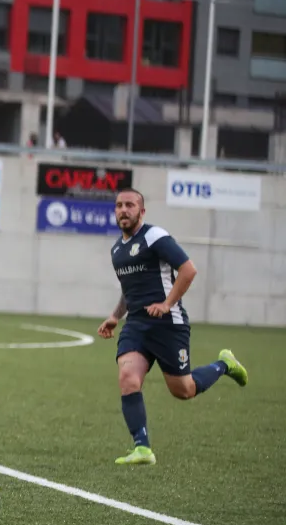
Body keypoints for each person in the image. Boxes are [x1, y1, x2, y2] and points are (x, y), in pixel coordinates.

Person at [97, 189, 248, 465]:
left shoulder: (155, 237)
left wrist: (167, 304)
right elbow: (129, 291)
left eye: (130, 205)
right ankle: (142, 448)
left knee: (184, 390)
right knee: (128, 377)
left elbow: (188, 269)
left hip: (168, 324)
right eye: (119, 205)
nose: (123, 210)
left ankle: (225, 364)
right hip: (137, 326)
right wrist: (115, 316)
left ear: (142, 212)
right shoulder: (117, 249)